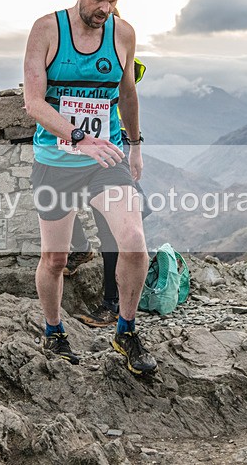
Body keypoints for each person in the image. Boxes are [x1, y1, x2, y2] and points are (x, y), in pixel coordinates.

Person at [23, 0, 157, 374]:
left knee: (133, 241)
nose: (105, 8)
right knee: (55, 260)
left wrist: (134, 145)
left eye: (113, 1)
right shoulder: (46, 30)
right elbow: (33, 103)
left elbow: (128, 93)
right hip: (57, 159)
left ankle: (126, 330)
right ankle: (53, 330)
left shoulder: (123, 34)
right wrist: (79, 138)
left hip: (106, 158)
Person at [70, 56, 150, 328]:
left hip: (112, 147)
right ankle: (83, 251)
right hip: (92, 146)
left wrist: (135, 148)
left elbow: (125, 97)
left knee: (109, 229)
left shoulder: (116, 56)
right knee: (56, 200)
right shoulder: (87, 54)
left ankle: (112, 305)